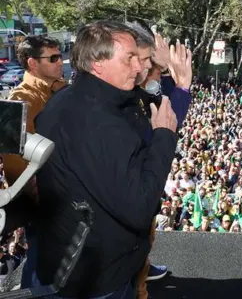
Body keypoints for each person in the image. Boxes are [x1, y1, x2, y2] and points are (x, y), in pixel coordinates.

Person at [32, 21, 178, 298]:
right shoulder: (98, 122)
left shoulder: (71, 99)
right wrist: (164, 136)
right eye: (129, 58)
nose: (138, 68)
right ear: (98, 63)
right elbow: (139, 207)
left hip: (81, 265)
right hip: (97, 279)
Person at [124, 21, 192, 298]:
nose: (142, 68)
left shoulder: (129, 89)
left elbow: (155, 98)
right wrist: (182, 85)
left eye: (146, 61)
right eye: (139, 60)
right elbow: (165, 121)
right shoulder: (120, 98)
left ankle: (141, 273)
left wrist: (166, 73)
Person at [0, 35, 66, 289]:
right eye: (53, 58)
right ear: (32, 63)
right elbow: (15, 159)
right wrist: (41, 194)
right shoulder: (19, 100)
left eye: (60, 55)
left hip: (62, 192)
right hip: (42, 199)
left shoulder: (62, 89)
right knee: (41, 258)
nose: (61, 62)